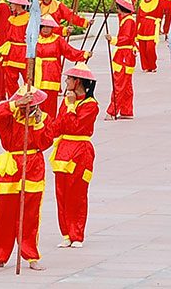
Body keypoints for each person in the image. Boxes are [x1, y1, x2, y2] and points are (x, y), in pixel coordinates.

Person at [0, 86, 54, 270]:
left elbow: (45, 143)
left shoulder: (43, 119)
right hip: (12, 164)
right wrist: (14, 104)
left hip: (33, 164)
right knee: (4, 213)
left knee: (30, 214)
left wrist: (38, 124)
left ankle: (31, 255)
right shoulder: (9, 117)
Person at [50, 62, 98, 248]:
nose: (66, 81)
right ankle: (66, 233)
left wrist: (70, 106)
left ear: (77, 81)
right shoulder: (66, 100)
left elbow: (76, 127)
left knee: (77, 194)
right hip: (63, 149)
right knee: (61, 193)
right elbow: (59, 126)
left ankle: (77, 233)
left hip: (80, 151)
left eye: (69, 79)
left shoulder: (91, 104)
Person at [32, 15, 92, 118]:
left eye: (49, 27)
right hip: (36, 75)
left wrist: (83, 54)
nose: (46, 29)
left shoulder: (58, 40)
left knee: (50, 102)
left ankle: (50, 125)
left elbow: (69, 51)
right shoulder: (34, 39)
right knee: (37, 101)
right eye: (44, 26)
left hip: (51, 75)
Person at [104, 0, 137, 120]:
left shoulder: (128, 21)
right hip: (126, 55)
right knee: (126, 85)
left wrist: (112, 40)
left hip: (124, 55)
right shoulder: (127, 20)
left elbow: (126, 38)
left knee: (119, 84)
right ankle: (126, 110)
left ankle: (113, 111)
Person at [0, 0, 31, 96]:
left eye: (12, 4)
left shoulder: (28, 18)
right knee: (9, 78)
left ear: (18, 5)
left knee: (28, 78)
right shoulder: (11, 18)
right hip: (11, 51)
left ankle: (28, 100)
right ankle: (14, 100)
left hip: (24, 50)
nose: (11, 6)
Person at [136, 0, 162, 72]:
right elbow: (138, 16)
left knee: (150, 48)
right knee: (142, 48)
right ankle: (145, 66)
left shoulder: (158, 1)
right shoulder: (142, 2)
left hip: (152, 25)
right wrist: (136, 29)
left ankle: (152, 66)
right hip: (142, 26)